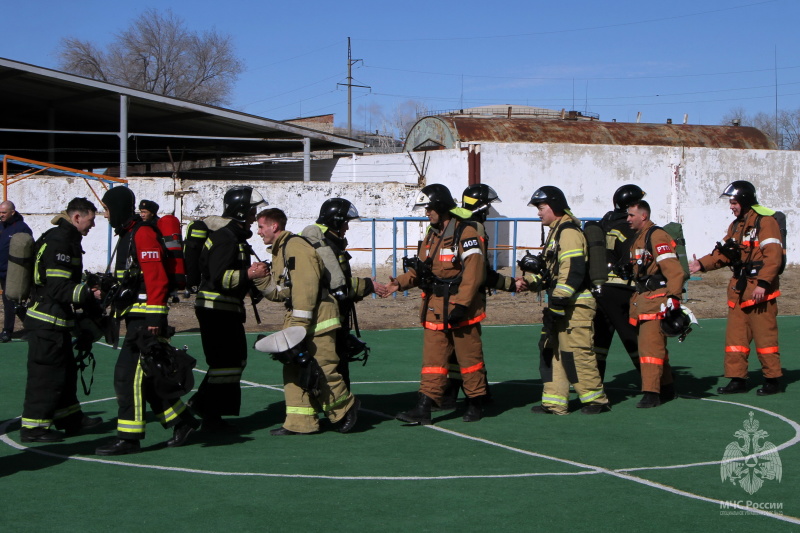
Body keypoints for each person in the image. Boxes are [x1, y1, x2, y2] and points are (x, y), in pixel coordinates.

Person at [95, 187, 198, 455]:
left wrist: (155, 315)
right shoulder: (128, 234)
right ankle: (183, 421)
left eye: (106, 209)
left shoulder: (142, 233)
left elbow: (157, 278)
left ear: (117, 208)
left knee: (126, 377)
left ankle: (128, 438)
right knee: (150, 378)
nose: (104, 214)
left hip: (146, 321)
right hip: (136, 317)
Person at [376, 183, 489, 424]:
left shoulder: (465, 232)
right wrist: (398, 283)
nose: (426, 213)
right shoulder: (432, 235)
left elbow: (474, 272)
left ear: (440, 206)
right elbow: (423, 269)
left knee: (469, 359)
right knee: (433, 362)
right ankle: (425, 405)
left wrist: (461, 304)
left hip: (462, 308)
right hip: (436, 308)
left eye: (429, 208)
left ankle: (476, 401)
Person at [254, 208, 359, 435]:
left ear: (274, 226)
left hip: (316, 318)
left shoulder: (295, 247)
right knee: (294, 369)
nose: (258, 232)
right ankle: (300, 423)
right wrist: (262, 280)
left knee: (322, 367)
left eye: (261, 227)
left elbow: (307, 287)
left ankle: (346, 409)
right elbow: (283, 293)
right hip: (303, 317)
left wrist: (298, 327)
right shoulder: (281, 249)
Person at [517, 186, 610, 415]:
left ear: (555, 206)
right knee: (552, 350)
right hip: (562, 303)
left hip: (575, 305)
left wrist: (557, 302)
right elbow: (553, 272)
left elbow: (573, 271)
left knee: (576, 352)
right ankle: (555, 402)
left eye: (541, 208)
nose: (538, 213)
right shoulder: (556, 232)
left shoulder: (568, 232)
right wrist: (530, 281)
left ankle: (596, 400)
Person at [689, 181, 783, 396]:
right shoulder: (736, 226)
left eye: (733, 202)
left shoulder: (766, 223)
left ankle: (772, 379)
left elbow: (773, 257)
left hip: (760, 291)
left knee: (765, 338)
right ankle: (737, 379)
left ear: (744, 200)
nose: (731, 207)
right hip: (739, 290)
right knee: (735, 340)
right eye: (730, 203)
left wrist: (763, 283)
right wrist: (701, 264)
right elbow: (723, 254)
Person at [19, 197, 102, 442]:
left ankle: (70, 419)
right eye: (91, 220)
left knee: (65, 372)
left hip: (55, 321)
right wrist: (89, 293)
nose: (93, 226)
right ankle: (33, 428)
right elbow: (57, 288)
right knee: (46, 376)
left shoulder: (64, 238)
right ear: (77, 217)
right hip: (47, 322)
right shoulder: (60, 242)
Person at [189, 185, 268, 432]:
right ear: (242, 212)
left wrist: (252, 282)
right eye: (253, 211)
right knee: (226, 363)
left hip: (225, 310)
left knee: (232, 362)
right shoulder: (225, 238)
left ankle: (204, 406)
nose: (255, 216)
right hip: (216, 310)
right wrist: (250, 273)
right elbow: (220, 278)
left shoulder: (233, 237)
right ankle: (208, 414)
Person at [299, 198, 383, 388]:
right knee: (334, 368)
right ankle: (341, 413)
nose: (347, 227)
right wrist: (369, 285)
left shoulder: (331, 244)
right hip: (329, 318)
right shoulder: (325, 247)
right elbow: (335, 285)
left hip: (337, 317)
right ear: (336, 221)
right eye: (345, 222)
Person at [625, 200, 686, 408]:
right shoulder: (640, 237)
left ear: (644, 216)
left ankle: (651, 392)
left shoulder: (657, 236)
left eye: (631, 215)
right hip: (644, 301)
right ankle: (667, 388)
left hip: (656, 302)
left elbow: (674, 270)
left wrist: (674, 299)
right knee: (655, 348)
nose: (628, 219)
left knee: (650, 349)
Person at [592, 185, 646, 380]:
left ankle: (594, 387)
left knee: (599, 341)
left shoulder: (604, 223)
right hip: (621, 290)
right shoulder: (628, 227)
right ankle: (655, 383)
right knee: (633, 338)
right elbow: (636, 258)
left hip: (598, 290)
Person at [0, 200, 33, 342]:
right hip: (1, 270)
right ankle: (32, 328)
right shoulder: (1, 226)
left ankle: (7, 331)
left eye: (3, 212)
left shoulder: (21, 228)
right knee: (13, 303)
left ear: (12, 212)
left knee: (10, 302)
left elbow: (28, 248)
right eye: (0, 212)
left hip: (14, 272)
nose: (1, 215)